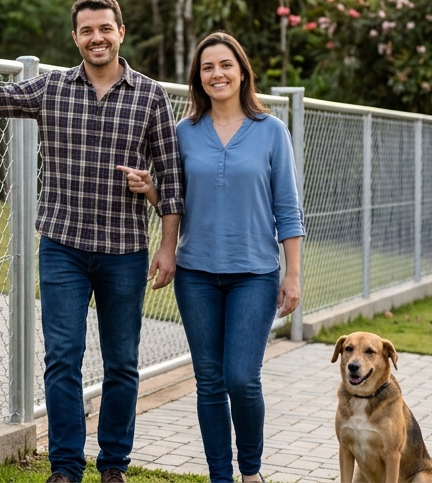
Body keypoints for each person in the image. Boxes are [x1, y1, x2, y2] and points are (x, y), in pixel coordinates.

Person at [0, 0, 184, 483]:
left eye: (105, 29)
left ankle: (114, 467)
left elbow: (171, 177)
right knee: (62, 360)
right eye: (87, 30)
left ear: (121, 32)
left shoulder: (151, 95)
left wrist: (168, 245)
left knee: (123, 364)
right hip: (63, 249)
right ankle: (65, 467)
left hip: (124, 253)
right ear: (75, 38)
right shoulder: (51, 89)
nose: (97, 38)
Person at [124, 31, 303, 483]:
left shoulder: (271, 131)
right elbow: (175, 202)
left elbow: (288, 209)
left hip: (255, 275)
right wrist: (152, 191)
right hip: (196, 274)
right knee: (209, 382)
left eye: (225, 65)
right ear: (197, 78)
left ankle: (251, 473)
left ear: (242, 72)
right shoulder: (184, 132)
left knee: (242, 378)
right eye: (207, 67)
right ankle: (220, 477)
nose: (217, 74)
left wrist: (293, 274)